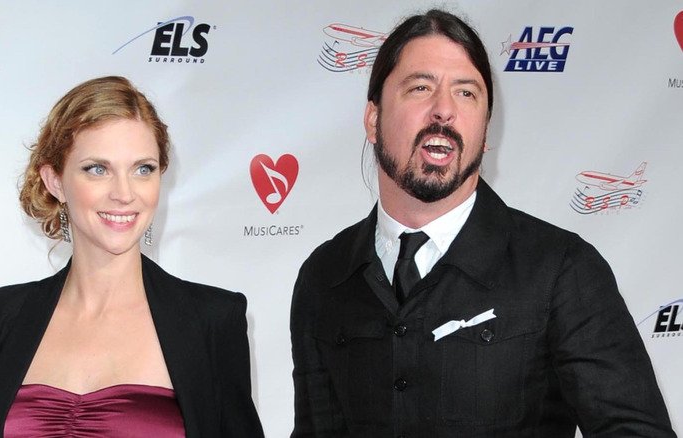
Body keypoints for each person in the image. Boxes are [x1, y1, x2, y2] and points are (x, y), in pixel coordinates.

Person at [290, 10, 676, 437]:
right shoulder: (323, 277)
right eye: (420, 88)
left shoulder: (561, 269)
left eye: (466, 93)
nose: (444, 111)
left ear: (486, 131)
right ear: (373, 120)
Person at [0, 76, 264, 438]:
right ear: (55, 181)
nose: (124, 193)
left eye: (143, 169)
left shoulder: (213, 319)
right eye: (97, 169)